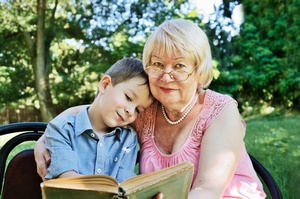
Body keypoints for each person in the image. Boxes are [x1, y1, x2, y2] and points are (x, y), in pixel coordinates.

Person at [35, 19, 266, 198]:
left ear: (199, 72)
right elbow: (87, 111)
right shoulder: (143, 110)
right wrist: (44, 139)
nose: (166, 75)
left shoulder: (221, 111)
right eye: (157, 64)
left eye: (179, 66)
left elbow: (208, 190)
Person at [42, 58, 153, 183]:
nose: (131, 111)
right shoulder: (63, 128)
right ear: (105, 85)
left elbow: (124, 186)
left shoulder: (128, 139)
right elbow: (67, 180)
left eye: (138, 109)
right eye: (128, 97)